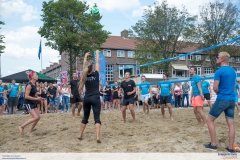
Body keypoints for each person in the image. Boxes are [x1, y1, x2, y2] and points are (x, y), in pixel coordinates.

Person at [204, 52, 236, 152]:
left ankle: (213, 145)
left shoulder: (219, 71)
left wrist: (219, 93)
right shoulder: (233, 71)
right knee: (231, 124)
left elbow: (215, 88)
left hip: (223, 98)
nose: (216, 58)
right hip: (232, 100)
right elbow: (234, 86)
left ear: (222, 59)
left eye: (217, 57)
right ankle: (230, 148)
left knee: (209, 120)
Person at [77, 50, 101, 143]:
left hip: (86, 98)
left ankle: (80, 135)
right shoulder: (96, 74)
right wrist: (97, 53)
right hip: (95, 98)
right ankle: (98, 137)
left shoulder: (85, 75)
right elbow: (98, 62)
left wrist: (85, 56)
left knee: (85, 118)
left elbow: (84, 66)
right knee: (97, 118)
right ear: (93, 67)